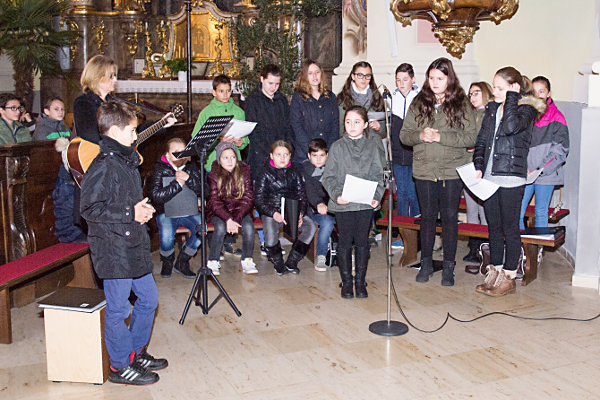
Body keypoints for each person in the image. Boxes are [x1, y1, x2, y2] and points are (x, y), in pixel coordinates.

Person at [80, 100, 167, 385]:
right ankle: (119, 365)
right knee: (118, 309)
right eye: (132, 130)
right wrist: (131, 213)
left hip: (132, 244)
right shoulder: (104, 165)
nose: (135, 135)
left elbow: (124, 201)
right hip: (113, 248)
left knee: (149, 299)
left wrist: (141, 209)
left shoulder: (125, 160)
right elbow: (89, 209)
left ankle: (136, 351)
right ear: (116, 131)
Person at [400, 57, 477, 287]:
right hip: (424, 169)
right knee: (427, 218)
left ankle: (448, 266)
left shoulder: (461, 103)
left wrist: (440, 137)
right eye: (431, 78)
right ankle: (426, 263)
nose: (435, 82)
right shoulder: (419, 102)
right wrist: (420, 136)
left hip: (451, 171)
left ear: (449, 79)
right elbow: (404, 135)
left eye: (440, 78)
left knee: (450, 218)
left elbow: (470, 137)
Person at [473, 67, 546, 297]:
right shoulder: (492, 108)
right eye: (494, 87)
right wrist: (478, 164)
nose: (494, 92)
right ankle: (495, 271)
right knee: (494, 227)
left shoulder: (527, 109)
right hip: (490, 177)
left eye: (500, 88)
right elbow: (482, 139)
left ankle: (510, 276)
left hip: (511, 178)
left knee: (510, 228)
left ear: (514, 88)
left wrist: (512, 98)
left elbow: (511, 127)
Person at [322, 106, 384, 298]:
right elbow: (328, 177)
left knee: (362, 242)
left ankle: (360, 281)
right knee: (345, 241)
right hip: (344, 202)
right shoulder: (337, 147)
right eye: (348, 122)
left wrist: (376, 196)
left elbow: (379, 175)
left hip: (365, 202)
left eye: (357, 122)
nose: (352, 126)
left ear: (365, 124)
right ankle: (347, 282)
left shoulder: (373, 146)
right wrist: (337, 195)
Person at [245, 64, 292, 254]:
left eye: (277, 84)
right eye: (270, 83)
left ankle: (274, 238)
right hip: (261, 158)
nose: (274, 87)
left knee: (277, 198)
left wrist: (285, 152)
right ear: (261, 79)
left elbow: (287, 127)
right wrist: (271, 155)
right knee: (263, 199)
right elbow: (254, 133)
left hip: (280, 158)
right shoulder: (252, 101)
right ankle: (266, 241)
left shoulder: (281, 100)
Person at [254, 140, 317, 275]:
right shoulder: (264, 173)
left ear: (290, 156)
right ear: (271, 156)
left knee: (310, 227)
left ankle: (292, 261)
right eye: (278, 154)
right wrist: (273, 213)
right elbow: (259, 199)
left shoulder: (295, 171)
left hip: (292, 211)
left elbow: (302, 194)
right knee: (270, 235)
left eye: (286, 155)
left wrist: (300, 213)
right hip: (271, 210)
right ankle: (278, 263)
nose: (282, 158)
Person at [519, 76, 569, 230]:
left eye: (542, 91)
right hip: (526, 172)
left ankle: (540, 244)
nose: (538, 95)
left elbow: (560, 150)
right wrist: (523, 167)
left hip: (546, 173)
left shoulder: (557, 117)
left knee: (541, 212)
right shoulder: (527, 115)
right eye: (534, 92)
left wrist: (539, 169)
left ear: (548, 93)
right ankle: (520, 244)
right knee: (517, 212)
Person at [151, 138, 203, 279]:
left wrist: (189, 179)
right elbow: (156, 196)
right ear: (167, 155)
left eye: (183, 152)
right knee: (167, 235)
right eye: (175, 152)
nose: (180, 156)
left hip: (189, 211)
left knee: (201, 229)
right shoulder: (160, 168)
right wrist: (177, 184)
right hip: (166, 212)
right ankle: (167, 260)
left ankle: (182, 261)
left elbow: (205, 190)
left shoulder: (191, 167)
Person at [206, 142, 256, 275]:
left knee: (249, 227)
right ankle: (213, 260)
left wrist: (237, 219)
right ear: (219, 159)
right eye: (225, 157)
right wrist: (228, 219)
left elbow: (248, 198)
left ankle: (247, 259)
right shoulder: (213, 174)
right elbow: (215, 201)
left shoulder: (244, 171)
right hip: (219, 212)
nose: (230, 161)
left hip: (240, 210)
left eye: (233, 157)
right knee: (220, 227)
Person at [389, 63, 420, 249]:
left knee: (414, 194)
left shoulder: (421, 99)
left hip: (416, 154)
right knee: (401, 195)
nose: (401, 83)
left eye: (405, 79)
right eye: (398, 80)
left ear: (413, 79)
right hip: (398, 154)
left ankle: (417, 235)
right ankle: (403, 235)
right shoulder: (391, 99)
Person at [462, 81, 494, 263]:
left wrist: (476, 146)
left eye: (476, 93)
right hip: (468, 167)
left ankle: (486, 248)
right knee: (471, 210)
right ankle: (474, 248)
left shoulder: (490, 115)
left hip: (482, 168)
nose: (472, 97)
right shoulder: (469, 115)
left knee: (484, 210)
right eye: (470, 94)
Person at [191, 74, 248, 171]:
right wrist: (218, 141)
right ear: (214, 92)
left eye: (228, 91)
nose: (225, 95)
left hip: (234, 163)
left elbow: (246, 137)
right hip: (213, 162)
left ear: (231, 91)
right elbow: (196, 138)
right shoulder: (207, 112)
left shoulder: (239, 112)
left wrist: (241, 142)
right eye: (221, 91)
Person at [290, 60, 339, 167]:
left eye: (317, 72)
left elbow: (335, 125)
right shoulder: (298, 97)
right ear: (305, 76)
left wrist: (326, 151)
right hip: (305, 155)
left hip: (326, 154)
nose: (314, 76)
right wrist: (312, 152)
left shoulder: (330, 97)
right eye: (310, 73)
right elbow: (296, 125)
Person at [301, 138, 335, 271]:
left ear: (327, 156)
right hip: (313, 208)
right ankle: (321, 256)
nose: (319, 159)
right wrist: (318, 203)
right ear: (309, 156)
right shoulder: (307, 170)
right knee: (327, 222)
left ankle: (348, 254)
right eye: (315, 156)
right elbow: (310, 192)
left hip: (333, 206)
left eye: (322, 155)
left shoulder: (333, 170)